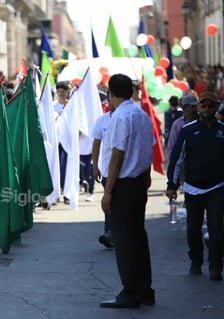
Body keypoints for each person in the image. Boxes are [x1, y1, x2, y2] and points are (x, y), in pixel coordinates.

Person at [99, 74, 154, 308]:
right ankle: (144, 289)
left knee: (125, 240)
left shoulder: (121, 116)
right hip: (138, 182)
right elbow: (147, 148)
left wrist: (108, 192)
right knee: (137, 237)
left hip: (124, 185)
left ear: (111, 94)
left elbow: (117, 154)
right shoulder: (141, 114)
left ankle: (130, 291)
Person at [166, 91, 224, 281]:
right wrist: (172, 185)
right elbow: (176, 159)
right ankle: (196, 261)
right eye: (203, 105)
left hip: (217, 187)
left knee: (216, 228)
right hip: (192, 188)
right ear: (198, 107)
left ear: (216, 108)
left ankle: (216, 266)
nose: (206, 108)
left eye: (210, 105)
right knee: (193, 228)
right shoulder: (188, 130)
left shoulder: (222, 130)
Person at [92, 98, 116, 249]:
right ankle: (109, 233)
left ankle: (119, 233)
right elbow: (96, 143)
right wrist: (95, 167)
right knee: (110, 201)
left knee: (119, 202)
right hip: (107, 170)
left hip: (126, 172)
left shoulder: (129, 118)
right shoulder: (102, 120)